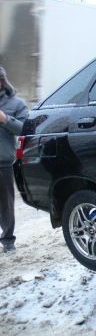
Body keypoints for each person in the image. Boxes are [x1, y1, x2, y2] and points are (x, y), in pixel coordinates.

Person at [0, 66, 28, 253]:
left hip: (2, 163)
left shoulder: (16, 104)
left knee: (6, 205)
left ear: (2, 81)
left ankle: (8, 240)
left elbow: (26, 129)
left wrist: (5, 120)